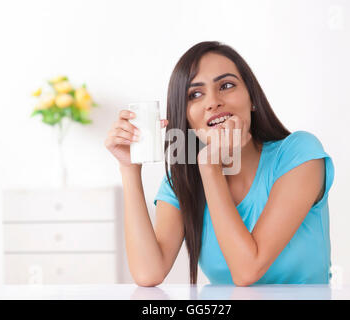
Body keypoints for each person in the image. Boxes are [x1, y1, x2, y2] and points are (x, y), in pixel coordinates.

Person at [104, 41, 335, 287]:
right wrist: (129, 169)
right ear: (186, 116)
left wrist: (211, 168)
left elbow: (247, 270)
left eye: (226, 85)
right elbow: (148, 273)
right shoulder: (183, 177)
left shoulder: (299, 153)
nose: (213, 102)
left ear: (252, 98)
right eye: (195, 94)